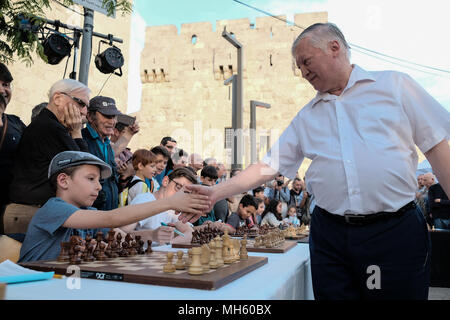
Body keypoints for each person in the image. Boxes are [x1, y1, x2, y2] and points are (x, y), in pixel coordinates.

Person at [182, 23, 450, 300]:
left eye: (306, 61)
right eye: (299, 67)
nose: (303, 72)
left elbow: (437, 149)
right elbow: (268, 166)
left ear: (334, 48)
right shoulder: (306, 116)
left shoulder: (395, 86)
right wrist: (216, 192)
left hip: (392, 232)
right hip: (330, 235)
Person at [18, 151, 209, 262]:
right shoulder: (54, 208)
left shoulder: (87, 213)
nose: (99, 186)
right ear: (63, 180)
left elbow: (121, 235)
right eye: (91, 179)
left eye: (99, 180)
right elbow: (110, 218)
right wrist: (169, 203)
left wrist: (150, 236)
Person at [9, 79, 89, 206]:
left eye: (87, 107)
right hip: (32, 210)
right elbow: (84, 169)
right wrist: (77, 132)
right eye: (80, 103)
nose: (84, 111)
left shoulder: (49, 125)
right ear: (57, 98)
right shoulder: (49, 127)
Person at [119, 167, 201, 246]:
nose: (180, 195)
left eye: (185, 193)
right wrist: (151, 235)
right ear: (165, 181)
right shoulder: (145, 200)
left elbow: (190, 233)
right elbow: (118, 232)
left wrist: (169, 242)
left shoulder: (173, 208)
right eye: (178, 187)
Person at [82, 96, 122, 211]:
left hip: (108, 213)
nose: (112, 121)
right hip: (90, 215)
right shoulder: (80, 139)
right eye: (107, 116)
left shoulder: (107, 143)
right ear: (90, 116)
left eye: (114, 116)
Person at [0, 64, 27, 234]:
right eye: (1, 84)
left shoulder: (16, 123)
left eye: (6, 85)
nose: (4, 90)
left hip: (8, 212)